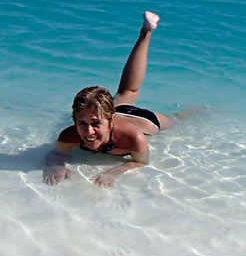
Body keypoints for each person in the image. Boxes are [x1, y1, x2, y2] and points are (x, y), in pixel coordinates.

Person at [45, 12, 186, 188]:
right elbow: (56, 154)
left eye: (95, 124)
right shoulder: (69, 134)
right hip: (117, 109)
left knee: (177, 119)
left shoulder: (134, 138)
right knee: (127, 91)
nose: (88, 132)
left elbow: (141, 162)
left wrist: (113, 172)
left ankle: (204, 109)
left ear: (110, 120)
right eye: (82, 123)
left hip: (144, 121)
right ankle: (146, 31)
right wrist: (56, 166)